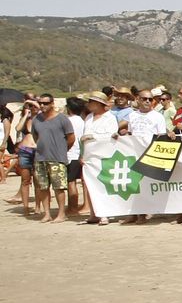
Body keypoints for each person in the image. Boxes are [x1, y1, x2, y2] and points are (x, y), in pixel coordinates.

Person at [29, 95, 75, 223]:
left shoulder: (62, 119)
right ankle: (47, 213)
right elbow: (35, 136)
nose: (42, 106)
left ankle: (61, 213)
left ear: (52, 103)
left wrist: (62, 150)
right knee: (42, 187)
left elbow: (71, 138)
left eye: (45, 103)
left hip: (57, 158)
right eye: (40, 103)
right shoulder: (37, 119)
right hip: (40, 157)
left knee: (58, 187)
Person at [77, 92, 121, 225]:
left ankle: (104, 214)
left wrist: (93, 137)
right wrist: (82, 154)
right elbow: (83, 137)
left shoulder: (110, 118)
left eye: (91, 102)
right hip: (89, 156)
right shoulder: (89, 118)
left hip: (103, 156)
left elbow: (111, 136)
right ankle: (93, 213)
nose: (89, 104)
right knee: (90, 185)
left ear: (99, 104)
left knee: (103, 185)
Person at [63, 97, 87, 217]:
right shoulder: (83, 121)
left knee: (70, 182)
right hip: (81, 153)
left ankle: (72, 207)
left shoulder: (68, 121)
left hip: (71, 154)